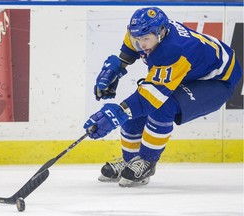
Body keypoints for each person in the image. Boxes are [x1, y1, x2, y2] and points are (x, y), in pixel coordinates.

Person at [83, 7, 243, 187]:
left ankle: (146, 163)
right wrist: (116, 67)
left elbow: (149, 100)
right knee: (132, 111)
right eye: (138, 39)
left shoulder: (173, 50)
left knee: (159, 107)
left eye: (145, 40)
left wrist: (116, 114)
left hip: (218, 81)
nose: (141, 44)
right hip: (191, 71)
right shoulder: (142, 31)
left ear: (160, 33)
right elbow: (129, 51)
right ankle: (130, 160)